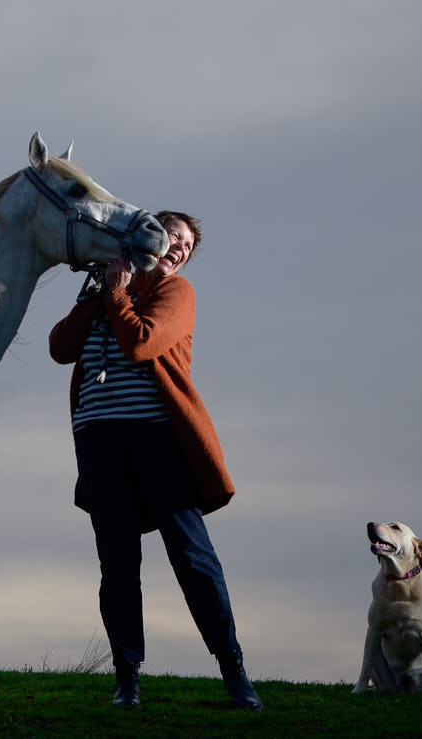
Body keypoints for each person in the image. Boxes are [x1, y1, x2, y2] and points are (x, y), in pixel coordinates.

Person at [48, 211, 262, 710]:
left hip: (158, 441)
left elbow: (141, 344)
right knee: (117, 563)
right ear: (149, 237)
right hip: (100, 441)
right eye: (174, 238)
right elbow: (61, 349)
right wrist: (100, 292)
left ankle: (234, 671)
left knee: (192, 557)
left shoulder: (176, 293)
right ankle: (127, 680)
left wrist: (118, 295)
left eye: (187, 246)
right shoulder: (110, 288)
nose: (180, 250)